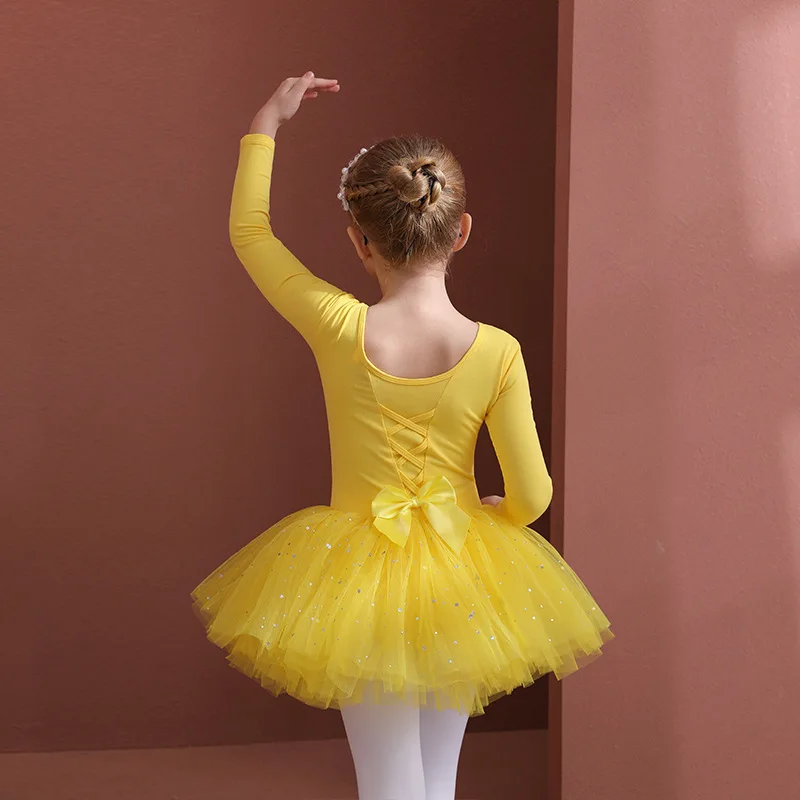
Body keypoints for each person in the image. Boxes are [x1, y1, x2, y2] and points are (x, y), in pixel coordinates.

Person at [191, 72, 613, 800]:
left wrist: (268, 120)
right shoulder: (498, 351)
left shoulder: (338, 326)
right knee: (438, 780)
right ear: (463, 229)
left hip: (359, 577)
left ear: (359, 241)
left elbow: (248, 234)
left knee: (387, 780)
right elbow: (533, 494)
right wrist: (498, 517)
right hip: (464, 571)